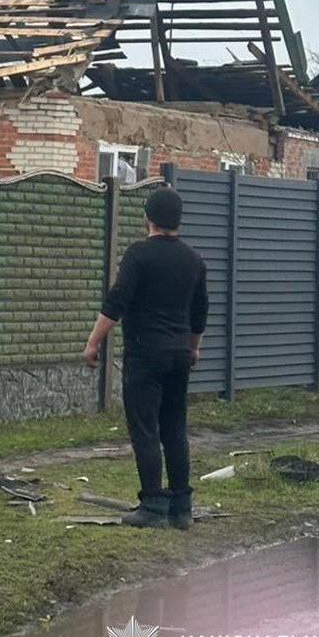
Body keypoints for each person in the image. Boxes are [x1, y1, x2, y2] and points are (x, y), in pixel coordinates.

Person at [82, 186, 208, 530]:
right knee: (174, 429)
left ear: (147, 219)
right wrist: (193, 347)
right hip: (180, 354)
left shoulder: (139, 255)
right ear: (178, 221)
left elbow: (117, 300)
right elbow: (200, 313)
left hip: (145, 354)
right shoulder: (194, 260)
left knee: (145, 429)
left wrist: (93, 342)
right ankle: (181, 507)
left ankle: (152, 505)